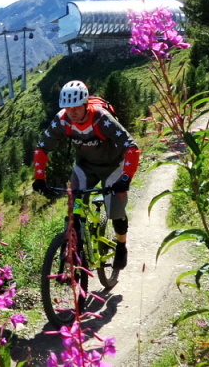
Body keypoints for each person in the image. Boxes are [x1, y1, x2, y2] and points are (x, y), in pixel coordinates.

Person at [32, 80, 140, 269]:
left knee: (116, 211)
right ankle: (76, 247)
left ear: (85, 104)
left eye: (76, 107)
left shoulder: (101, 118)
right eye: (67, 108)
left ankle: (121, 246)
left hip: (113, 165)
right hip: (85, 166)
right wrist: (39, 178)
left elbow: (131, 147)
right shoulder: (62, 120)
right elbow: (41, 148)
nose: (71, 112)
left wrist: (125, 178)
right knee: (74, 206)